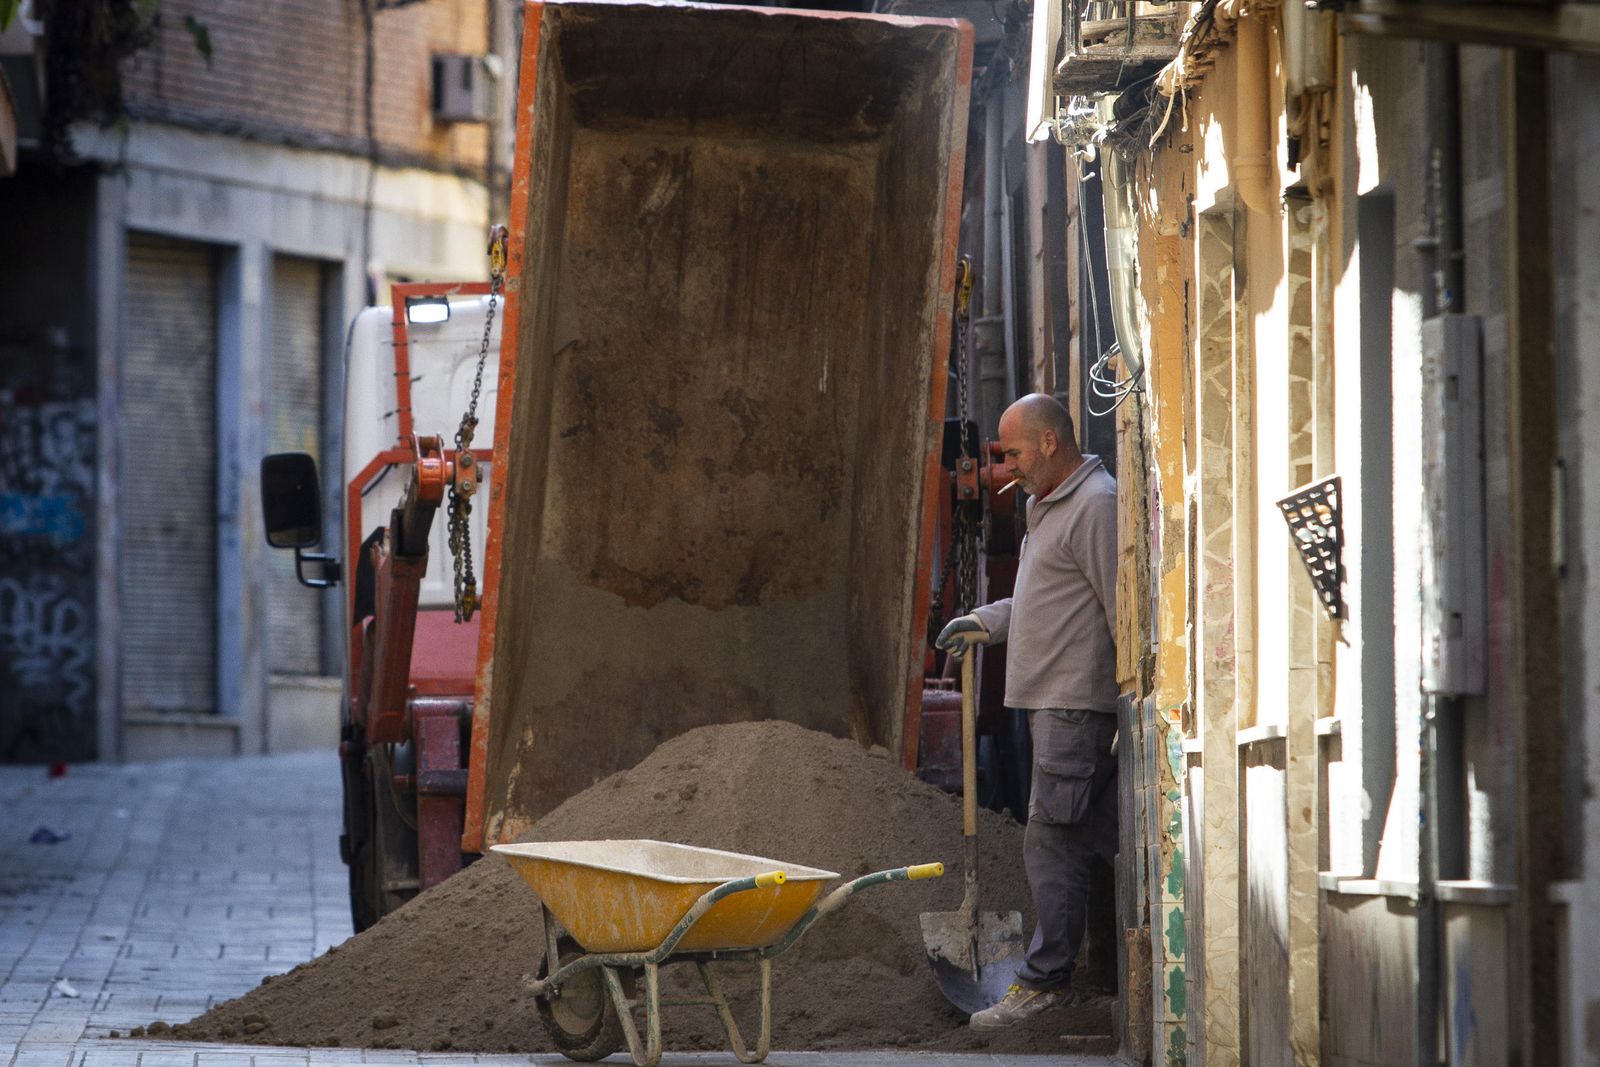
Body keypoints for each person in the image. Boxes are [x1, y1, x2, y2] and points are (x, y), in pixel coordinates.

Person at [935, 392, 1118, 1032]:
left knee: (1051, 841)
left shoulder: (1096, 506)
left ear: (1048, 442)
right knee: (1095, 836)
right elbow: (1041, 602)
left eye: (1013, 453)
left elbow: (1119, 610)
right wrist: (985, 621)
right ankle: (1091, 976)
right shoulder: (1049, 507)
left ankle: (1047, 983)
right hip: (1051, 704)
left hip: (1073, 705)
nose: (1004, 466)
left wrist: (1128, 704)